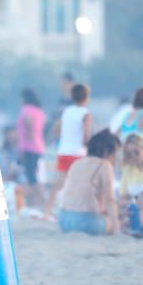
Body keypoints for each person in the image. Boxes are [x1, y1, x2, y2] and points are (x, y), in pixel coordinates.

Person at [57, 130, 120, 236]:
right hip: (84, 222)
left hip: (63, 220)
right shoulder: (104, 165)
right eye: (114, 154)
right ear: (106, 152)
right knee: (115, 224)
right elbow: (110, 200)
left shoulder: (77, 163)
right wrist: (116, 227)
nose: (115, 159)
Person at [46, 83, 92, 217]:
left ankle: (47, 212)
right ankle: (78, 211)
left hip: (63, 152)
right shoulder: (85, 114)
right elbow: (86, 137)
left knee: (58, 184)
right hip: (78, 153)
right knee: (80, 185)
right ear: (87, 97)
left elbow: (56, 129)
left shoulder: (67, 111)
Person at [16, 88, 47, 207]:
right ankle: (36, 202)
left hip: (29, 147)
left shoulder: (26, 109)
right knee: (34, 175)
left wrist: (29, 136)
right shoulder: (39, 111)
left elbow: (28, 122)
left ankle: (42, 200)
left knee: (31, 176)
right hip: (38, 146)